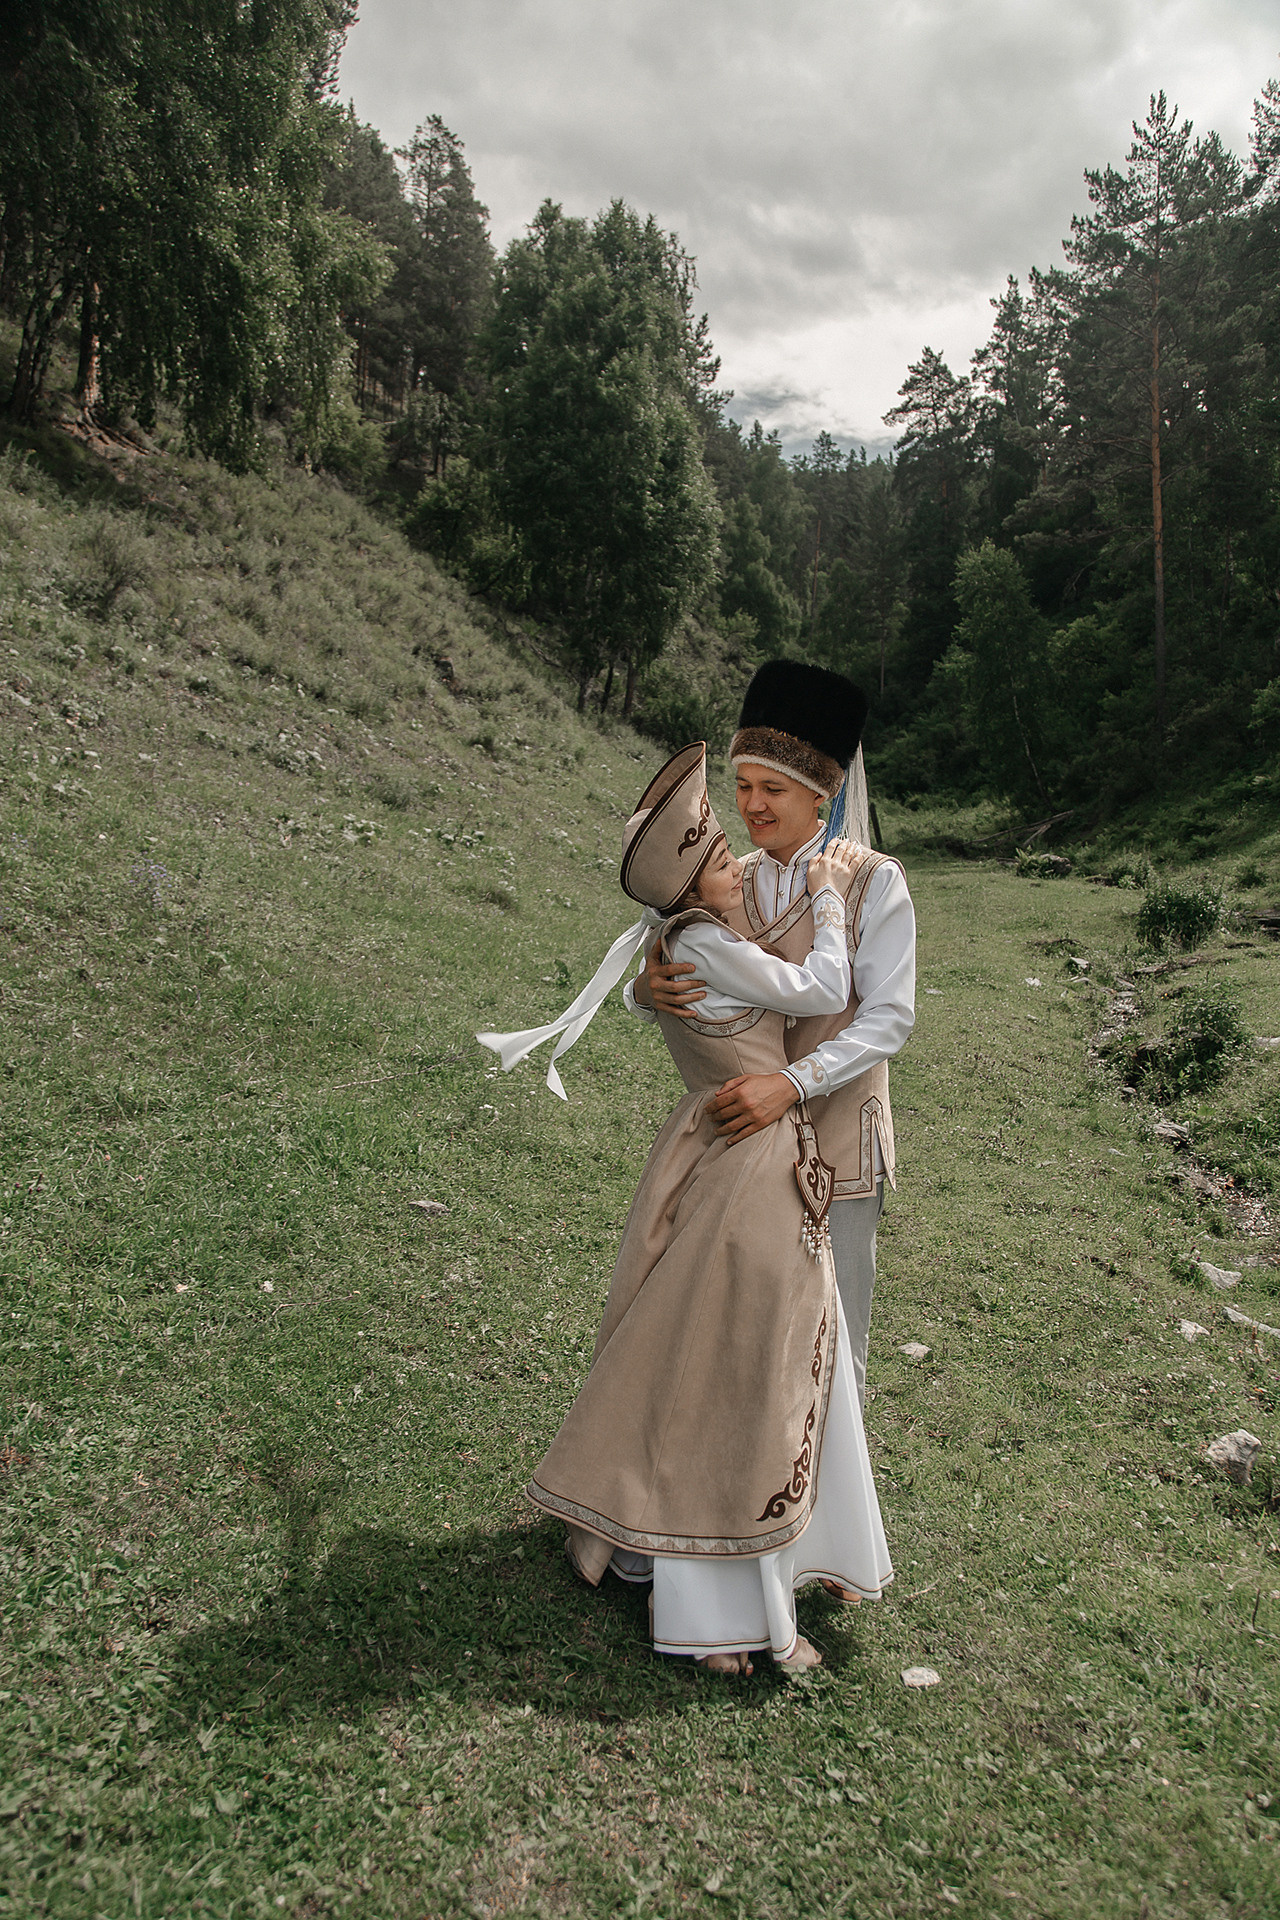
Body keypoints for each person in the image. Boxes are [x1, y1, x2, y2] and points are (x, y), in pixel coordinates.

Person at [479, 743, 893, 1673]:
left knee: (726, 1350)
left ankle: (741, 1561)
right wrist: (827, 899)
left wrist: (641, 987)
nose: (739, 872)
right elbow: (823, 989)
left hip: (720, 1148)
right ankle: (721, 1601)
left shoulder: (685, 936)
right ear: (697, 888)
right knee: (748, 1360)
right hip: (753, 1160)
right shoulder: (707, 935)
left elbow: (676, 978)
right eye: (720, 865)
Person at [628, 662, 916, 1420]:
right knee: (748, 1322)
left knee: (837, 1324)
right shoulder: (729, 878)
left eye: (773, 789)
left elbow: (889, 1018)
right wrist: (643, 992)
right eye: (744, 784)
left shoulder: (873, 882)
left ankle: (824, 1527)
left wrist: (790, 1084)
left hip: (839, 1137)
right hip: (746, 1151)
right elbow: (692, 969)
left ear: (822, 794)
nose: (750, 805)